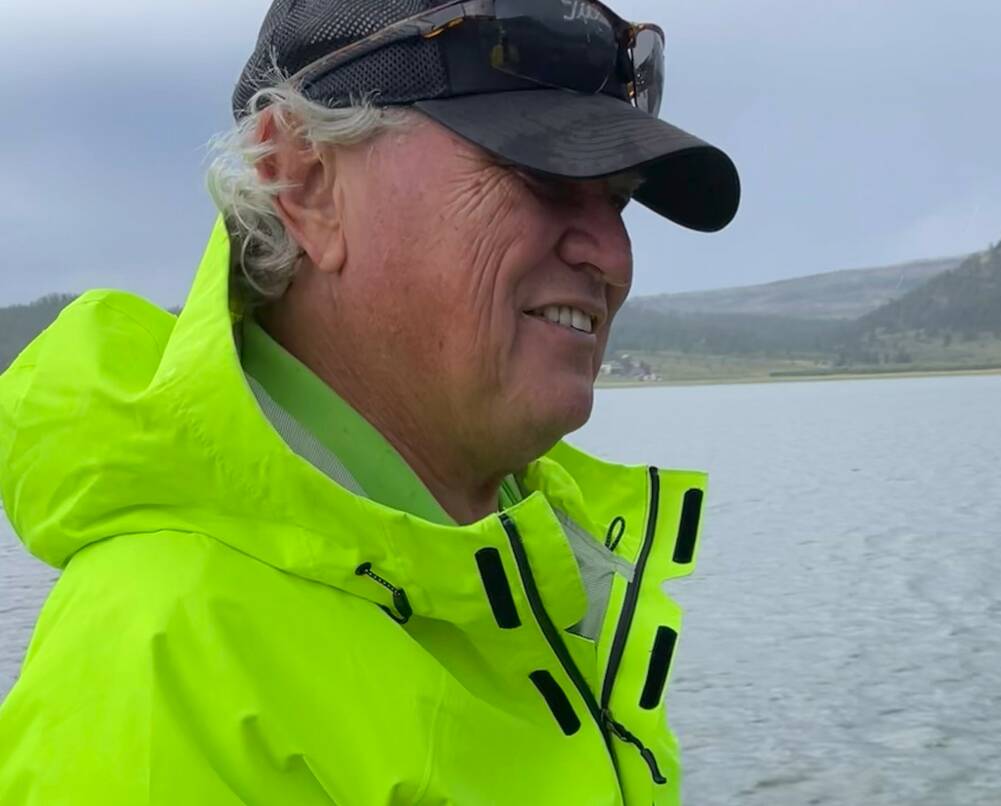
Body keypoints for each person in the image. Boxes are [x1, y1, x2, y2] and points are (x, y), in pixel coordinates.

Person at [0, 0, 739, 803]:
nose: (612, 253)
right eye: (542, 176)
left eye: (619, 197)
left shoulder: (539, 587)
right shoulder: (160, 674)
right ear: (307, 182)